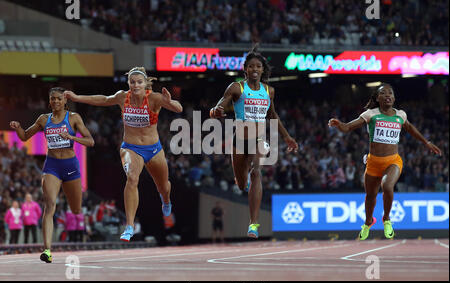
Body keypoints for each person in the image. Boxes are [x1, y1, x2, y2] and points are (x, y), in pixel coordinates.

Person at [64, 67, 183, 242]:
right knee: (132, 178)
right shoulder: (122, 97)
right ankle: (129, 226)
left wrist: (170, 102)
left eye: (139, 82)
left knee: (163, 186)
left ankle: (165, 201)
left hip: (154, 149)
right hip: (131, 148)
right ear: (128, 83)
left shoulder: (154, 98)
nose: (135, 85)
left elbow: (178, 109)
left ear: (145, 84)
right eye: (132, 82)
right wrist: (76, 97)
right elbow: (103, 99)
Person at [328, 83, 442, 240]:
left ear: (394, 98)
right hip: (373, 162)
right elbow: (347, 128)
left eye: (391, 93)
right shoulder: (370, 114)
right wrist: (339, 125)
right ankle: (368, 221)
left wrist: (426, 142)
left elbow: (410, 128)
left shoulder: (400, 115)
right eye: (384, 93)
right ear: (377, 98)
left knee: (387, 186)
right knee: (370, 196)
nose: (388, 95)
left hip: (393, 161)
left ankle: (386, 219)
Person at [209, 45, 298, 238]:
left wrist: (286, 137)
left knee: (256, 172)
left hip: (259, 139)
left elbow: (273, 116)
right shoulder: (236, 87)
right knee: (241, 185)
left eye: (258, 66)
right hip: (239, 140)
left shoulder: (269, 91)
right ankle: (243, 181)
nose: (255, 69)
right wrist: (215, 112)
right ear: (245, 69)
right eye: (251, 66)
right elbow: (218, 106)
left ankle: (253, 224)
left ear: (263, 70)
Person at [10, 87, 94, 262]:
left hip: (70, 165)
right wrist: (18, 128)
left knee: (76, 209)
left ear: (65, 101)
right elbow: (25, 136)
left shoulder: (73, 118)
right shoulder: (43, 119)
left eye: (58, 99)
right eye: (52, 99)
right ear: (49, 101)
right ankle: (47, 250)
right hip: (52, 166)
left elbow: (90, 141)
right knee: (49, 206)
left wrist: (72, 138)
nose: (55, 102)